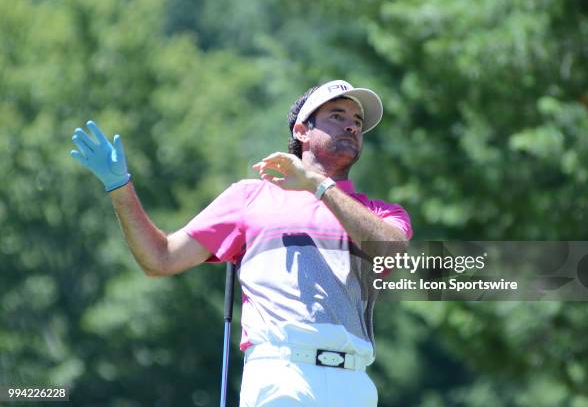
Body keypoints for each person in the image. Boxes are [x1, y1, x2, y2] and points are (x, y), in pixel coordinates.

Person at [70, 79, 412, 406]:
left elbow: (391, 251)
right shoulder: (249, 197)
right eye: (337, 117)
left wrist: (318, 186)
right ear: (302, 131)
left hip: (354, 383)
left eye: (357, 121)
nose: (351, 126)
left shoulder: (379, 214)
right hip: (283, 372)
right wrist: (120, 188)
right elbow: (160, 259)